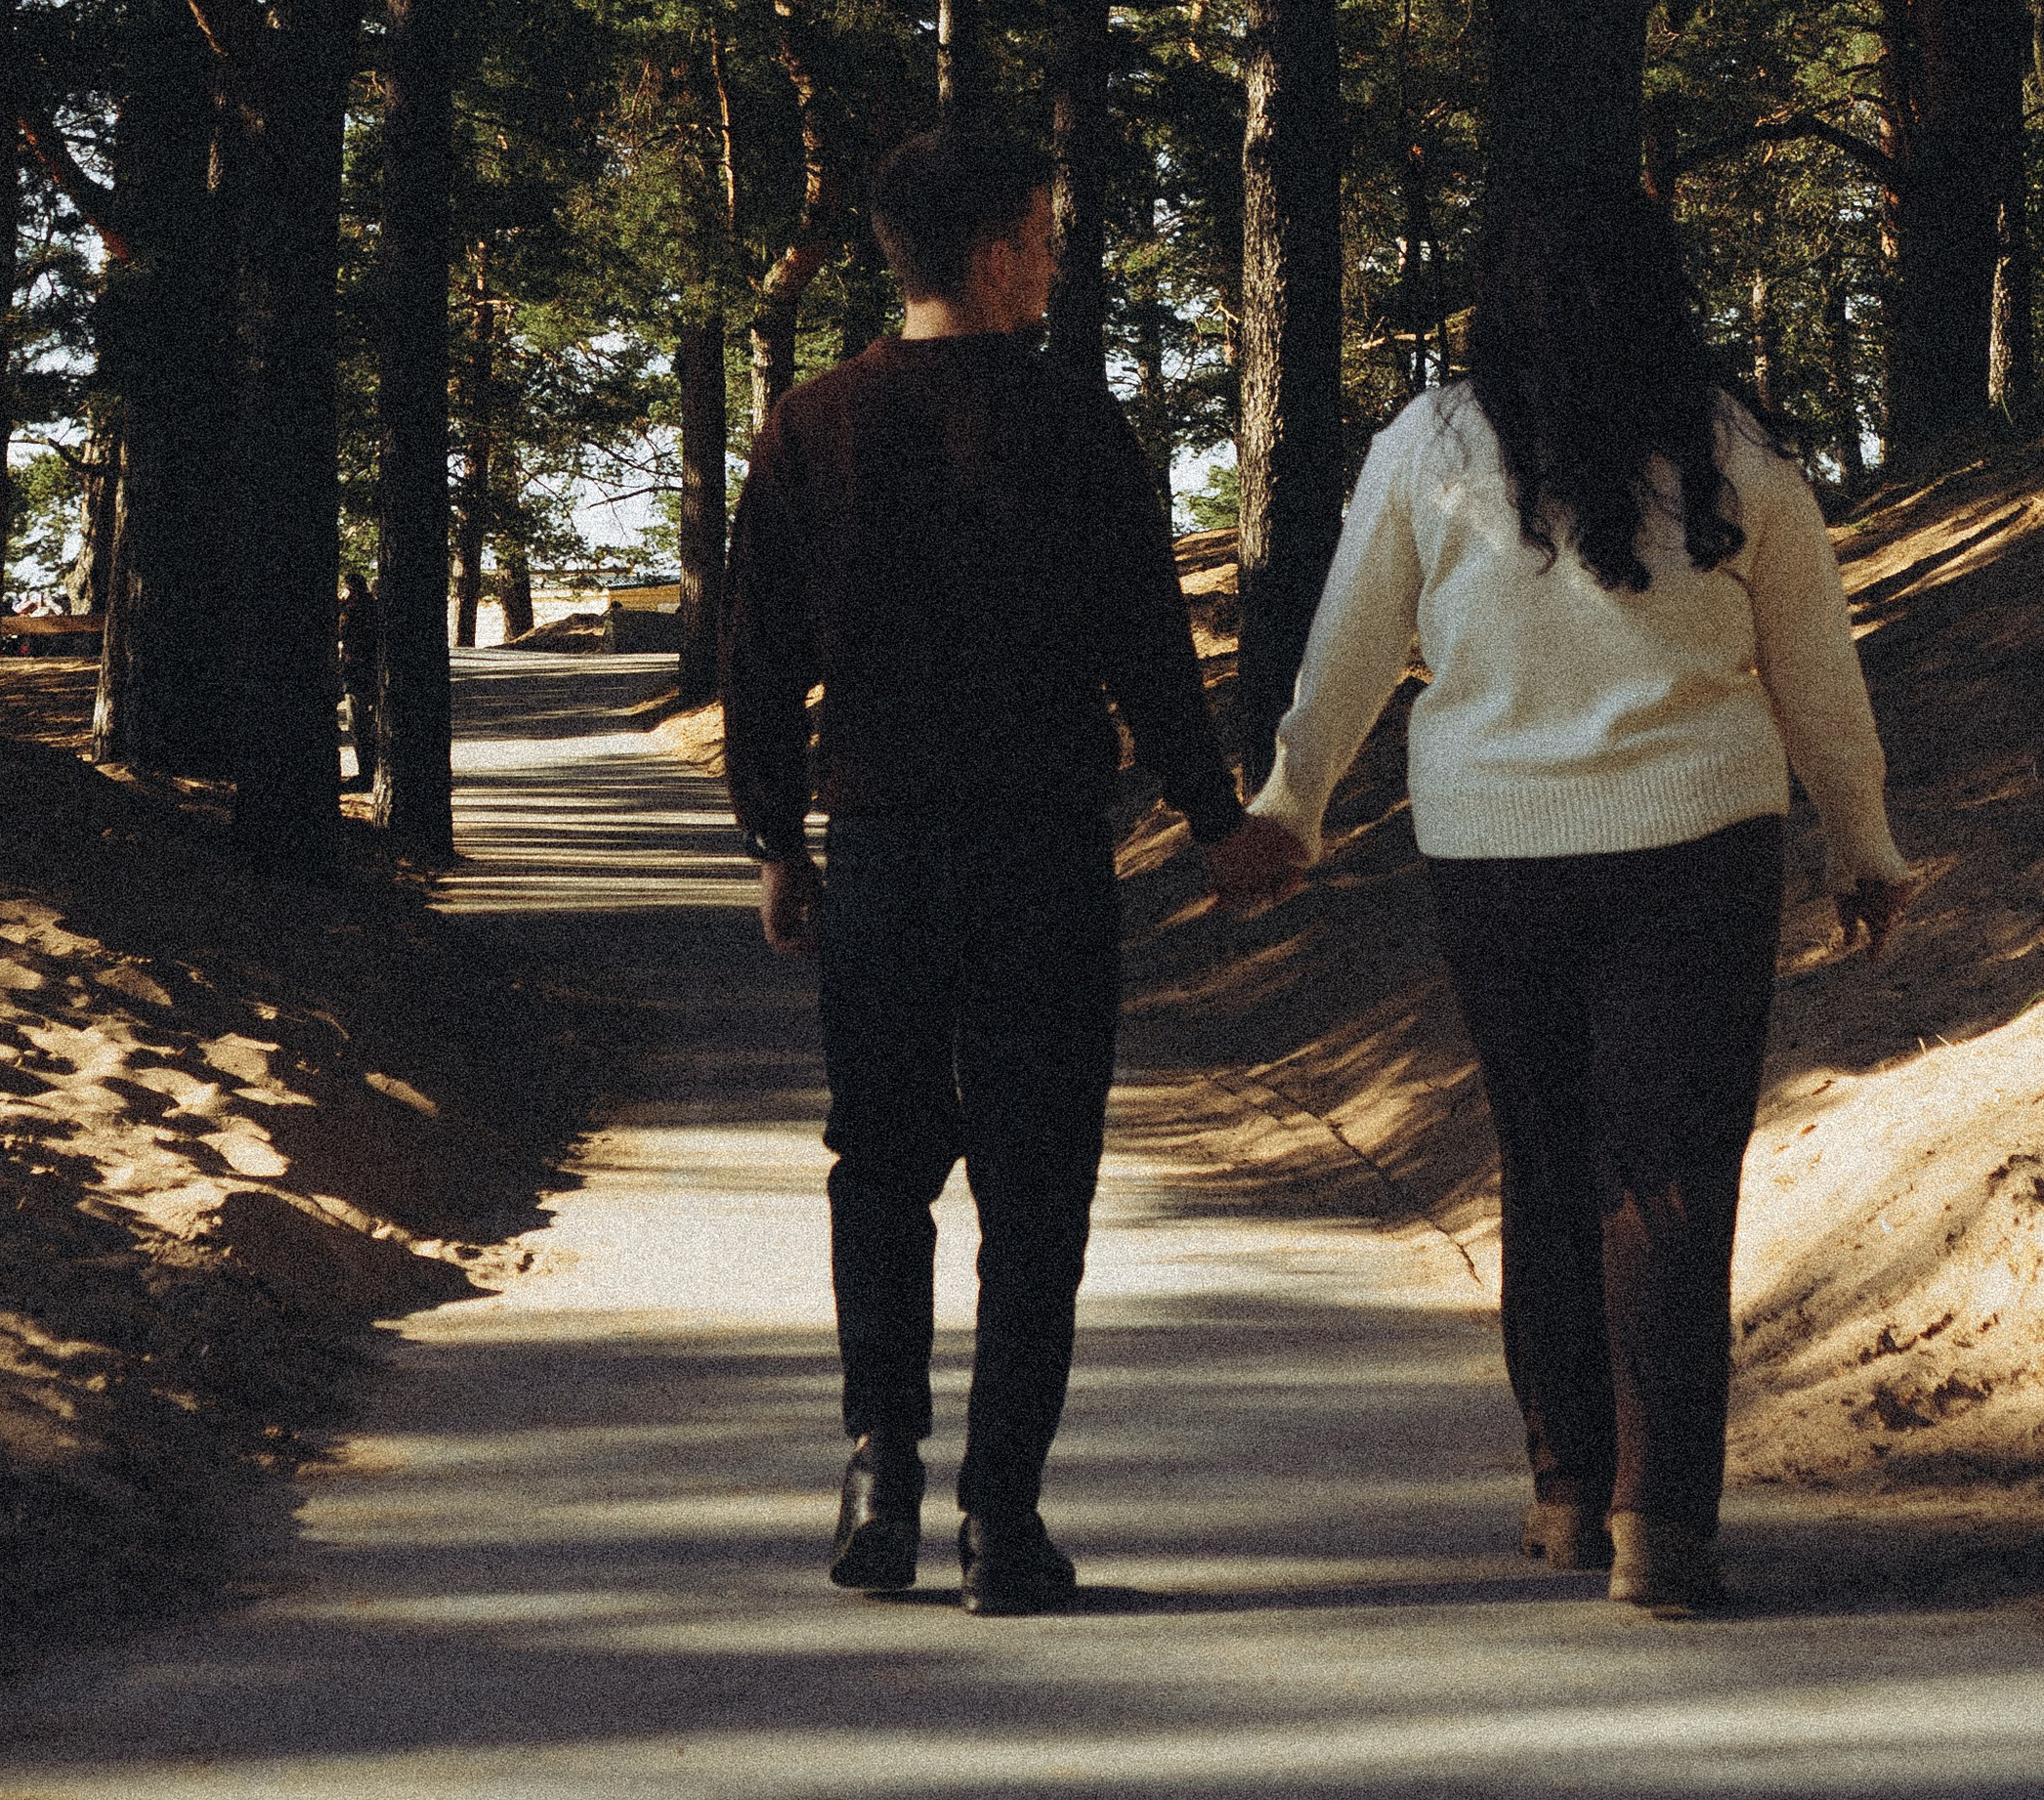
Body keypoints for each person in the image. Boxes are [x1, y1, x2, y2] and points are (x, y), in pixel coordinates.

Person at [1232, 172, 1914, 1621]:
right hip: (1699, 857)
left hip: (1496, 861)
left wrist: (1293, 805)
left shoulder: (1432, 445)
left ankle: (1562, 1492)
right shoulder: (1737, 455)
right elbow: (1817, 677)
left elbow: (1349, 647)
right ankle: (1661, 1525)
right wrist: (1863, 847)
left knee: (1547, 1166)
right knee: (1670, 1181)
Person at [720, 116, 1273, 1616]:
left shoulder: (813, 426)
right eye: (1042, 228)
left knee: (879, 1166)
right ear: (993, 248)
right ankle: (1001, 1520)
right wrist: (1214, 823)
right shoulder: (1079, 427)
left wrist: (777, 843)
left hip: (882, 854)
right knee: (1040, 1190)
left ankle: (877, 1480)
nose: (1055, 255)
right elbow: (1151, 655)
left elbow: (758, 658)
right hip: (1040, 857)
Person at [337, 575, 381, 791]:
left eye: (346, 589)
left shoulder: (355, 611)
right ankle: (370, 773)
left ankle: (367, 776)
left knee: (360, 727)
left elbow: (341, 634)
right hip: (367, 676)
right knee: (366, 727)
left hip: (358, 676)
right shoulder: (372, 607)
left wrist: (341, 605)